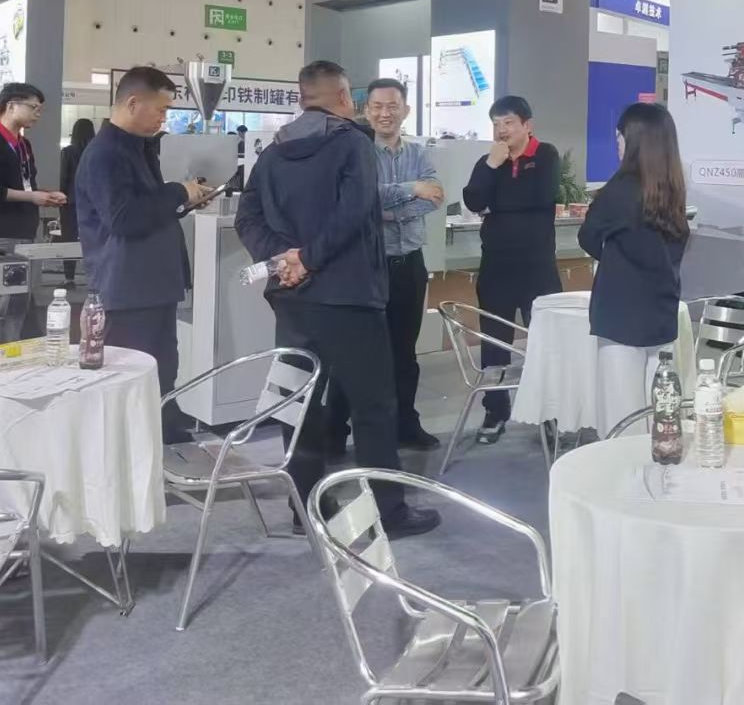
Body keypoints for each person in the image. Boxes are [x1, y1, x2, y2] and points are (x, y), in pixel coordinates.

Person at [236, 60, 439, 537]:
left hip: (292, 300)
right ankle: (387, 511)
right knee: (373, 406)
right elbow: (356, 212)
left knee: (299, 403)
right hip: (350, 297)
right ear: (346, 98)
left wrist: (284, 259)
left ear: (301, 98)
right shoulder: (353, 144)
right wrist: (309, 258)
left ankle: (305, 510)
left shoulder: (273, 151)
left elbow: (248, 217)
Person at [76, 67, 209, 444]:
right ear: (133, 103)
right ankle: (130, 449)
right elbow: (123, 219)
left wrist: (181, 201)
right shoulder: (106, 154)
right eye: (161, 109)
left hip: (152, 284)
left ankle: (163, 433)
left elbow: (145, 208)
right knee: (130, 375)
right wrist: (177, 191)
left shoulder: (137, 148)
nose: (164, 118)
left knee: (162, 367)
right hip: (127, 288)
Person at [326, 78, 443, 455]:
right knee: (356, 353)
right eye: (377, 106)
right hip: (368, 265)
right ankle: (335, 432)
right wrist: (410, 190)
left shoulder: (419, 153)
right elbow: (359, 201)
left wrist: (387, 211)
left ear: (406, 110)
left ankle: (405, 425)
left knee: (405, 353)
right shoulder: (357, 152)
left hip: (410, 264)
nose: (384, 113)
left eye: (392, 106)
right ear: (366, 111)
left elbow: (434, 198)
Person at [577, 103, 690, 414]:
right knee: (661, 410)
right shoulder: (672, 189)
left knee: (621, 413)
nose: (617, 143)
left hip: (620, 315)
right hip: (661, 310)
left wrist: (615, 258)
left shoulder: (619, 189)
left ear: (635, 141)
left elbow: (587, 236)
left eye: (620, 136)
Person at [462, 95, 562, 444]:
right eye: (496, 124)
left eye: (508, 123)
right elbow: (473, 200)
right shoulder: (488, 161)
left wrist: (498, 204)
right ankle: (495, 411)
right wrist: (492, 166)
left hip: (538, 268)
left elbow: (540, 196)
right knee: (494, 345)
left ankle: (552, 412)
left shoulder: (545, 155)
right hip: (496, 268)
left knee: (547, 342)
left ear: (526, 125)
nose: (501, 130)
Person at [0, 82, 65, 343]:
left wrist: (45, 195)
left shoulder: (23, 144)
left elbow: (27, 185)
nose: (37, 114)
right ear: (12, 105)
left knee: (19, 306)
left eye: (40, 109)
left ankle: (11, 356)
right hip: (0, 233)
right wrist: (32, 197)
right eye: (33, 107)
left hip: (25, 232)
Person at [59, 118, 96, 283]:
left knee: (69, 238)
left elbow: (63, 178)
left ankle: (69, 278)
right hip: (93, 202)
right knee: (93, 238)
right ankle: (94, 277)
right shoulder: (95, 151)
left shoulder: (68, 152)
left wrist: (61, 198)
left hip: (71, 202)